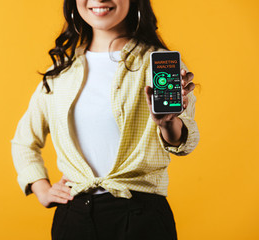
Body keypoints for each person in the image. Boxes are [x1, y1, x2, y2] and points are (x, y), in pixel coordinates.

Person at [10, 0, 200, 239]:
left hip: (142, 216)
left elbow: (183, 143)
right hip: (74, 218)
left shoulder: (159, 64)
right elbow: (23, 142)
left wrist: (167, 123)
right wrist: (42, 189)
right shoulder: (60, 73)